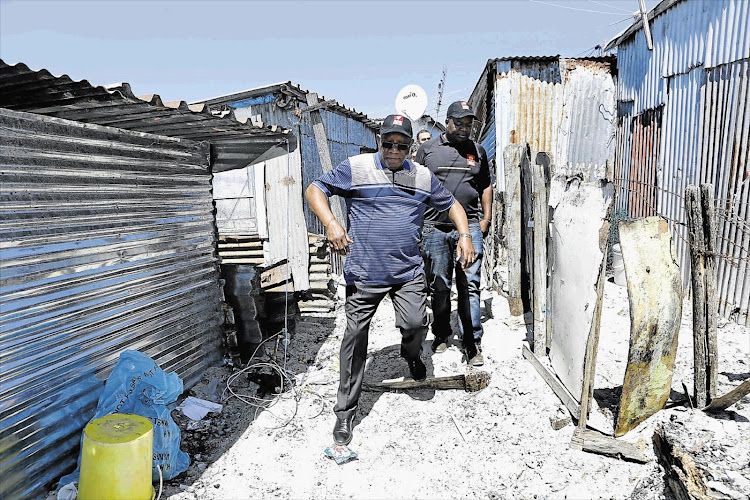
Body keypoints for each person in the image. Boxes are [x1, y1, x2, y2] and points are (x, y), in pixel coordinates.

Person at [305, 114, 475, 446]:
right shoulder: (356, 167)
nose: (394, 150)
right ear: (380, 141)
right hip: (365, 271)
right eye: (389, 143)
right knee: (354, 338)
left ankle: (411, 354)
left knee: (414, 323)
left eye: (401, 145)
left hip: (408, 271)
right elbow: (315, 189)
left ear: (411, 147)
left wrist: (466, 234)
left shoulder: (423, 177)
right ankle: (345, 412)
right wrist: (331, 224)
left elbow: (453, 204)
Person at [415, 101, 493, 367]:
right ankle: (441, 334)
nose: (463, 128)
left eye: (468, 124)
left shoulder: (478, 151)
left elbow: (485, 187)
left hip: (470, 227)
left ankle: (472, 343)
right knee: (440, 286)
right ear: (447, 122)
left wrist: (486, 219)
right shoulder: (427, 150)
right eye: (458, 123)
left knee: (469, 285)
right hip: (435, 228)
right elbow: (415, 188)